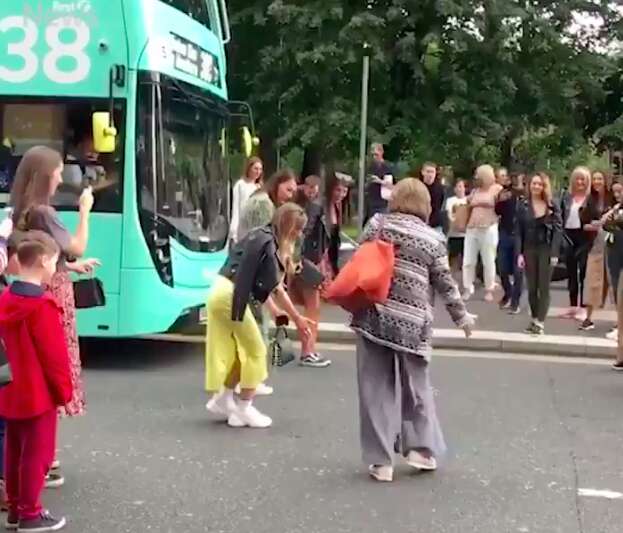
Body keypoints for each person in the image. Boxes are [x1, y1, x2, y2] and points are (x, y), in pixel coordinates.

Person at [350, 178, 473, 482]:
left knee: (375, 388)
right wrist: (463, 318)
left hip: (374, 316)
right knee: (416, 387)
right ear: (425, 204)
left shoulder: (377, 225)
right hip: (413, 323)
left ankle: (381, 462)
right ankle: (420, 449)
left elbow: (358, 261)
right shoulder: (432, 238)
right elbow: (445, 283)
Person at [10, 146, 100, 487]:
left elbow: (47, 254)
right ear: (46, 174)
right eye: (59, 170)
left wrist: (70, 265)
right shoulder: (45, 211)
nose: (62, 177)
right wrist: (85, 211)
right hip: (55, 294)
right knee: (55, 366)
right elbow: (76, 244)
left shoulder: (25, 210)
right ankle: (43, 458)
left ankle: (41, 455)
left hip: (45, 284)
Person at [204, 203, 314, 428]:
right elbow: (275, 287)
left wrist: (275, 311)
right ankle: (244, 407)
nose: (299, 234)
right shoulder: (268, 242)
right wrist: (298, 319)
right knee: (256, 351)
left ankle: (223, 399)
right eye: (298, 229)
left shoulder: (260, 236)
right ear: (289, 225)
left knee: (237, 352)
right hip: (230, 296)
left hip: (220, 290)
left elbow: (257, 280)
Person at [0, 230, 72, 531]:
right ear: (43, 261)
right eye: (54, 262)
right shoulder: (43, 306)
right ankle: (30, 512)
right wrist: (64, 393)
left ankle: (16, 508)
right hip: (38, 392)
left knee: (14, 450)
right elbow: (54, 358)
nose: (55, 268)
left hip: (8, 388)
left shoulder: (5, 299)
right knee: (38, 455)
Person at [516, 173, 562, 335]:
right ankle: (534, 319)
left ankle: (540, 322)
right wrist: (520, 253)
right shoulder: (523, 205)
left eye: (540, 184)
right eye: (534, 183)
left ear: (544, 186)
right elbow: (519, 231)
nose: (536, 187)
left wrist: (555, 253)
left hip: (546, 248)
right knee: (532, 287)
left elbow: (558, 230)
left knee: (544, 286)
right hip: (529, 248)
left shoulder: (552, 205)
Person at [293, 175, 331, 367]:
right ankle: (308, 351)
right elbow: (305, 234)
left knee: (311, 307)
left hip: (306, 260)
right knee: (312, 308)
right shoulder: (313, 207)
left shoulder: (305, 204)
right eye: (310, 187)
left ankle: (309, 349)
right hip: (307, 261)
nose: (312, 191)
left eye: (315, 188)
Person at [579, 171, 613, 331]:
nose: (597, 181)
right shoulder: (589, 201)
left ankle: (618, 321)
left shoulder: (612, 199)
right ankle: (588, 318)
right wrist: (594, 225)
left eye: (600, 178)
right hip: (596, 246)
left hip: (614, 246)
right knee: (593, 281)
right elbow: (583, 224)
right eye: (594, 179)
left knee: (615, 284)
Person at [463, 164, 500, 302]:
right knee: (468, 260)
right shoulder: (475, 191)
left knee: (488, 260)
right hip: (472, 227)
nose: (477, 178)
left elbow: (499, 205)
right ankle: (468, 287)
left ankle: (489, 288)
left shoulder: (496, 189)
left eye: (479, 175)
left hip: (489, 227)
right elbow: (468, 202)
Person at [559, 166, 591, 319]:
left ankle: (583, 307)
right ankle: (573, 305)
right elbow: (559, 216)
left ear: (587, 182)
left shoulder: (591, 198)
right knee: (571, 272)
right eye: (577, 179)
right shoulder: (566, 197)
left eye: (583, 179)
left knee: (584, 272)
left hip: (585, 236)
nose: (580, 182)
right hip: (568, 235)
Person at [495, 172, 524, 313]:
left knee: (518, 270)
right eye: (512, 177)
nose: (514, 180)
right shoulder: (505, 192)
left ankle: (515, 302)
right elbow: (497, 211)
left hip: (520, 234)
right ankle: (508, 291)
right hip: (505, 232)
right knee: (502, 267)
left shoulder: (527, 194)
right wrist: (500, 200)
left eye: (517, 177)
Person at [604, 180, 623, 343]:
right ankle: (619, 323)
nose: (617, 195)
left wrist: (615, 221)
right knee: (616, 288)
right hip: (614, 251)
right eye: (615, 192)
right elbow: (605, 224)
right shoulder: (615, 208)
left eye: (620, 191)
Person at [229, 157, 262, 244]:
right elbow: (236, 207)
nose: (258, 172)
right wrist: (234, 228)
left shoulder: (260, 187)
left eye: (260, 169)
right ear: (249, 168)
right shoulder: (240, 185)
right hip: (241, 228)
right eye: (256, 168)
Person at [324, 174, 349, 279]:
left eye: (344, 191)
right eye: (338, 190)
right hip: (322, 256)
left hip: (333, 257)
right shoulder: (322, 207)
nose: (341, 195)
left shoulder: (338, 207)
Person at [364, 143, 393, 225]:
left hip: (382, 202)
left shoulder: (387, 167)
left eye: (376, 155)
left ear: (381, 152)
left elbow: (391, 185)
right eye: (372, 155)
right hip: (370, 200)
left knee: (380, 224)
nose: (374, 157)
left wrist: (379, 181)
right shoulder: (371, 166)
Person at [445, 179, 468, 277]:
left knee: (466, 261)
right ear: (454, 189)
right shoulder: (450, 201)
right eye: (458, 186)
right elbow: (449, 215)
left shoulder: (468, 200)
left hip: (466, 235)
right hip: (453, 234)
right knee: (452, 260)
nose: (460, 189)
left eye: (462, 186)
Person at [420, 162, 445, 233]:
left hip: (435, 224)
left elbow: (438, 205)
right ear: (423, 172)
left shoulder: (439, 188)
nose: (430, 175)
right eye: (428, 172)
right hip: (421, 222)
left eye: (432, 172)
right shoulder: (418, 186)